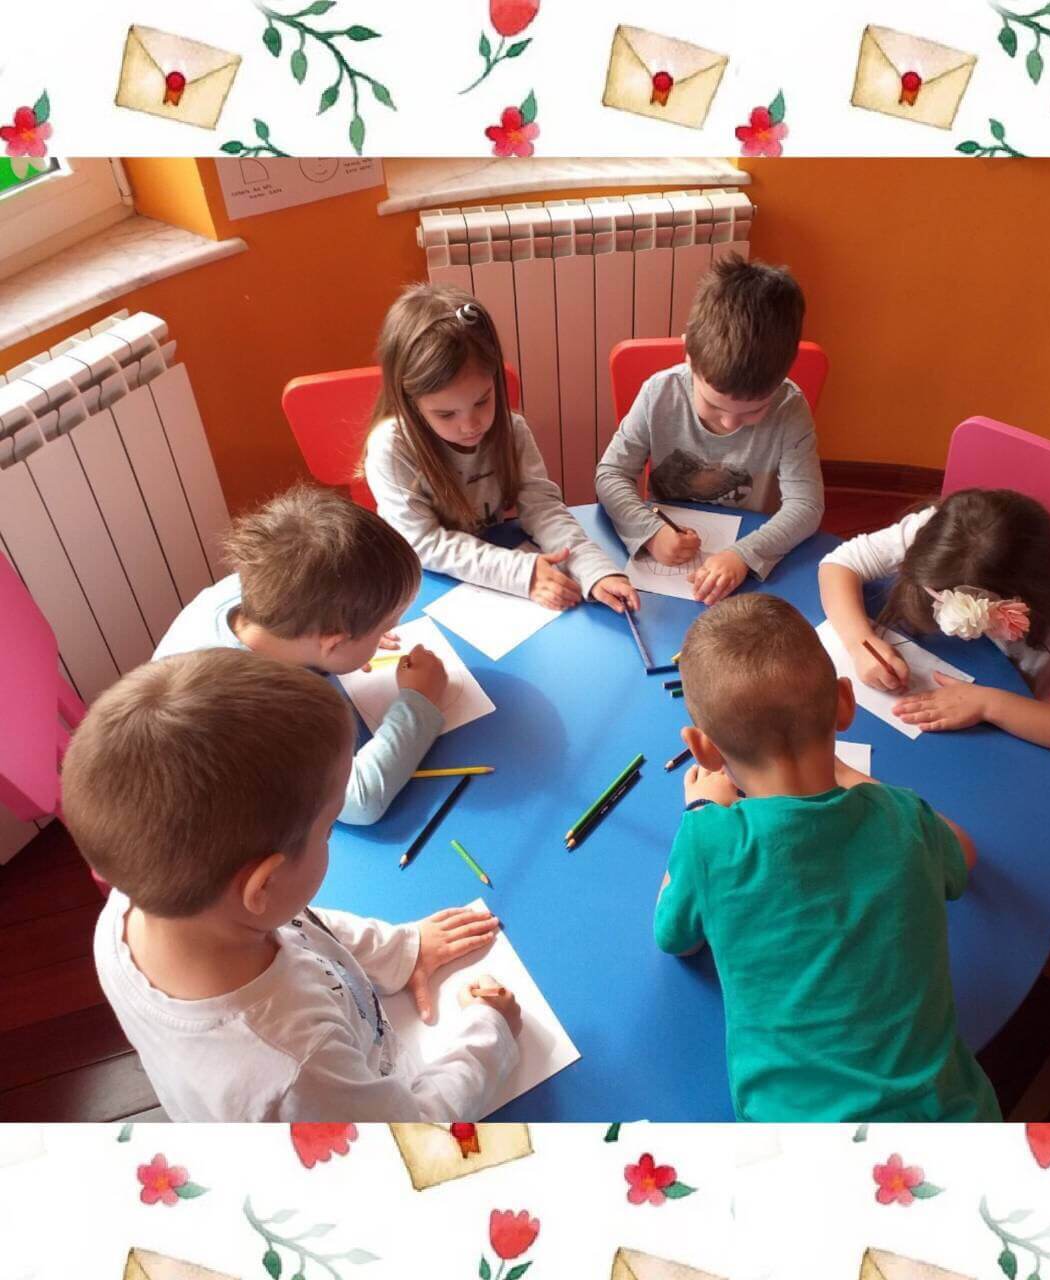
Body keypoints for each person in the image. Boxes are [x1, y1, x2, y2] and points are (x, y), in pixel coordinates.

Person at [66, 648, 519, 1121]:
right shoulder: (297, 1071)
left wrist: (402, 950)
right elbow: (412, 1131)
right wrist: (490, 1035)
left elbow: (303, 926)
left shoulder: (144, 906)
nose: (330, 838)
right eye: (328, 829)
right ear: (262, 886)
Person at [654, 594, 998, 1121]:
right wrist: (848, 774)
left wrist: (700, 807)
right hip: (949, 1117)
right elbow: (963, 854)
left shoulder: (709, 838)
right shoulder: (904, 816)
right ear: (844, 703)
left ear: (702, 749)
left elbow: (673, 935)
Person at [153, 483, 444, 825]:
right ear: (333, 643)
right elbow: (359, 801)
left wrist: (361, 637)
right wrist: (418, 702)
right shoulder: (250, 707)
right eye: (383, 629)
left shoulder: (247, 588)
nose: (387, 634)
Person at [364, 282, 637, 613]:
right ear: (410, 403)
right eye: (446, 414)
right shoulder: (391, 447)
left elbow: (543, 508)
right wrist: (523, 573)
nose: (471, 425)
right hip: (427, 591)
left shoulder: (512, 429)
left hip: (490, 576)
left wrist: (594, 570)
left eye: (482, 400)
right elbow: (422, 542)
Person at [819, 488, 1050, 764]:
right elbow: (839, 564)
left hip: (1002, 732)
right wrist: (860, 642)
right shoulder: (941, 538)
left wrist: (987, 704)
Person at [595, 254, 824, 605]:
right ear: (688, 353)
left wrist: (744, 554)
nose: (730, 423)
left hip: (748, 554)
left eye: (754, 410)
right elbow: (611, 475)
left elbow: (806, 506)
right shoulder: (659, 393)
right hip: (667, 556)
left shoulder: (789, 409)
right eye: (714, 405)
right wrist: (650, 532)